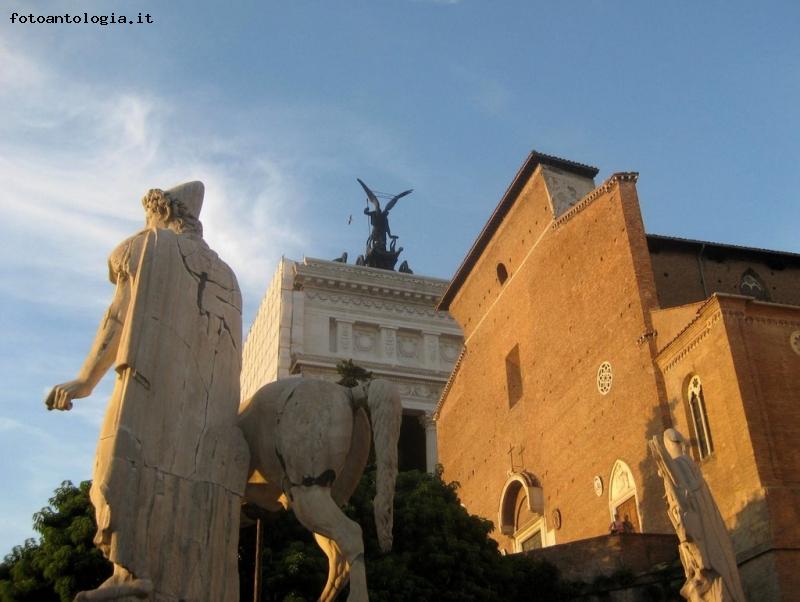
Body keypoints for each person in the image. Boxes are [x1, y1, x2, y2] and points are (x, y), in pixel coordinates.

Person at [46, 182, 248, 601]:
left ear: (162, 212)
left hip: (148, 394)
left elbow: (117, 317)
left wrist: (85, 380)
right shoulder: (228, 278)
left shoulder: (147, 247)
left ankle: (130, 572)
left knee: (111, 472)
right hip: (205, 421)